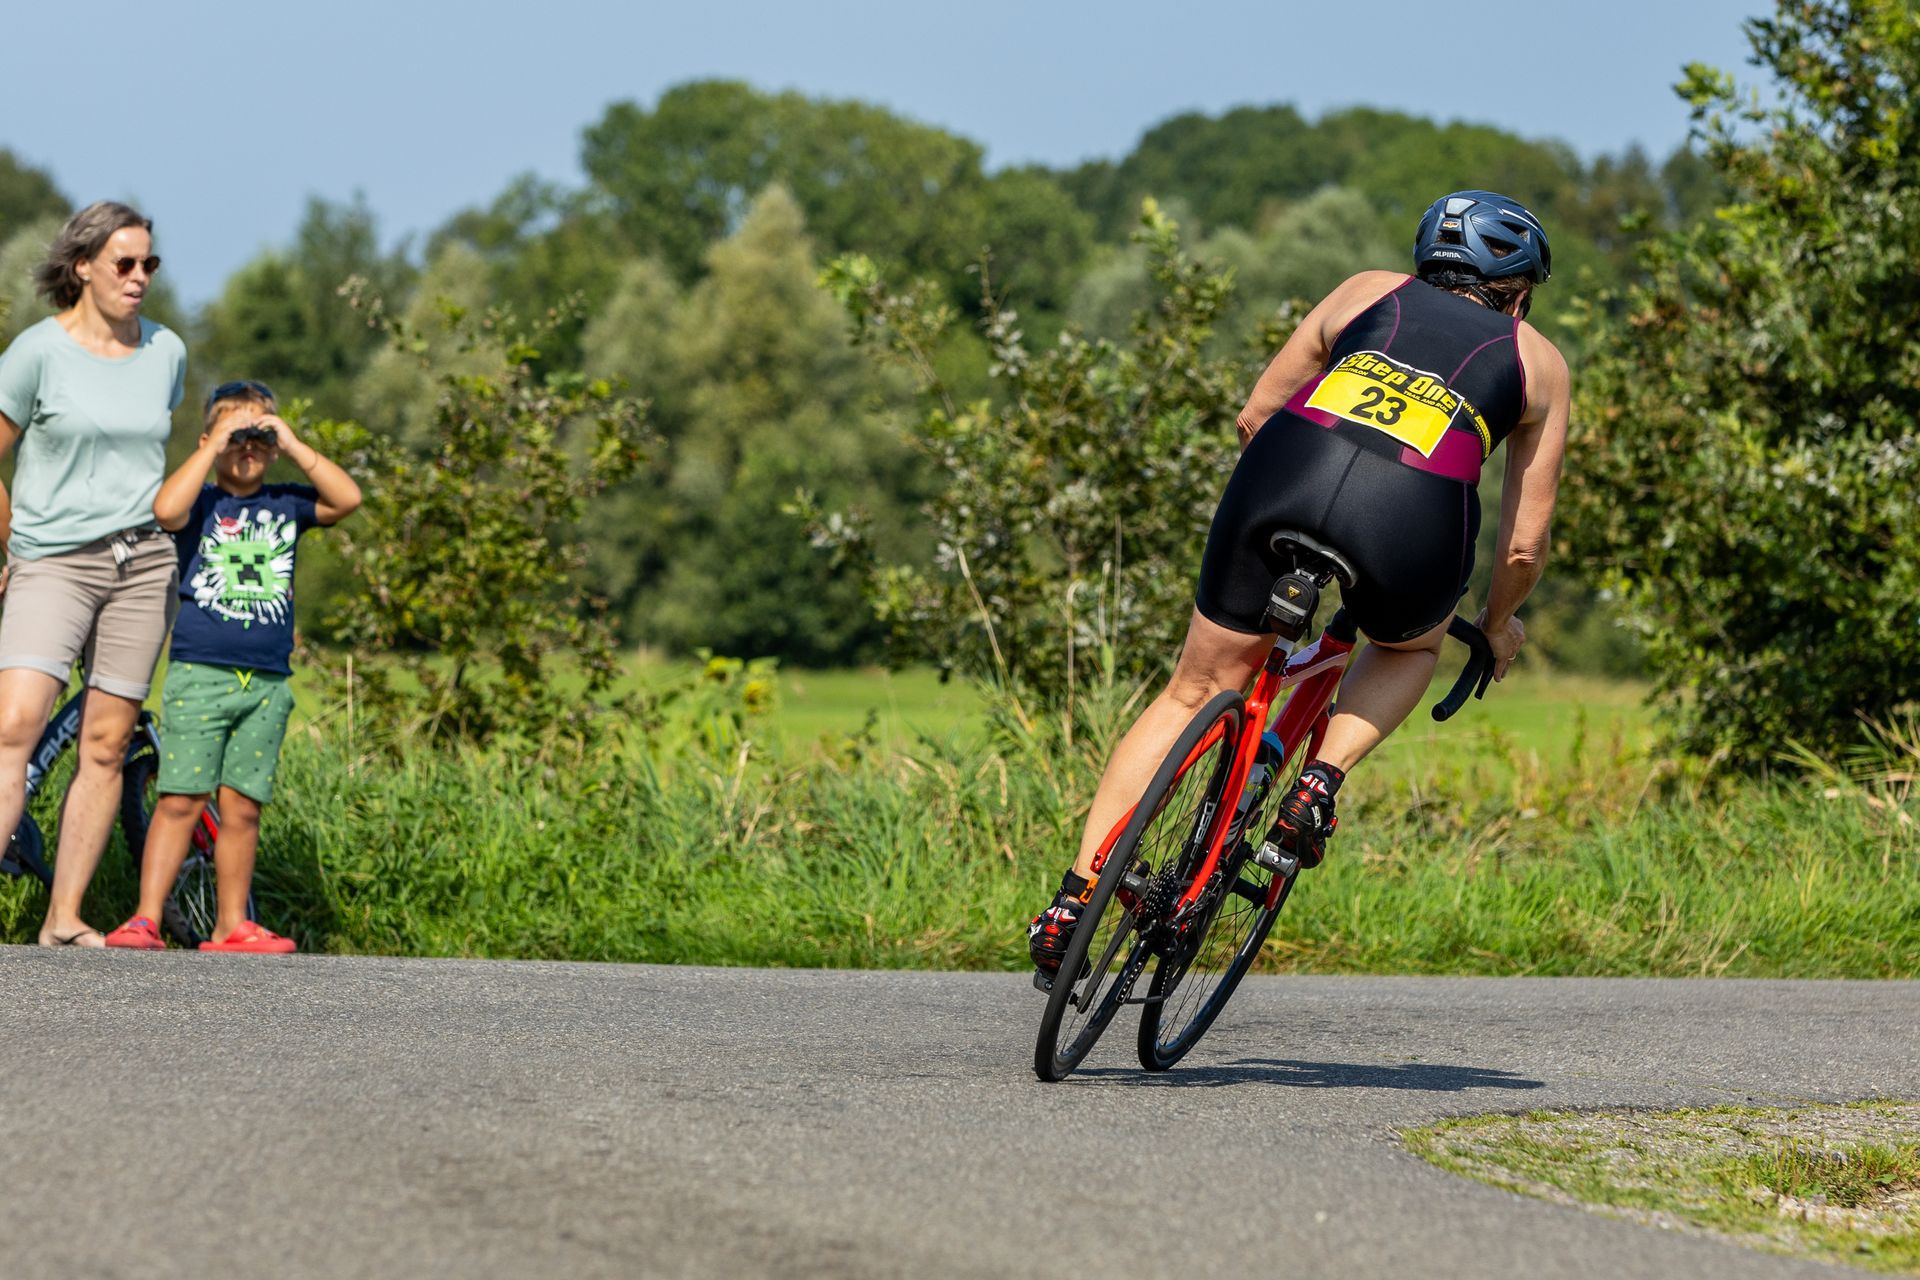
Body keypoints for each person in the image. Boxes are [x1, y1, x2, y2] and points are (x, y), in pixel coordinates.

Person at [1028, 190, 1572, 977]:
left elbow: (1256, 415)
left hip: (1286, 475)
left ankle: (1072, 903)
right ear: (1517, 294)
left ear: (1428, 259)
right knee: (1409, 646)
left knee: (1190, 692)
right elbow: (1523, 547)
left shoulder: (1363, 290)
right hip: (1412, 518)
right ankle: (1319, 780)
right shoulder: (1539, 362)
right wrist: (1495, 626)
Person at [104, 381, 360, 952]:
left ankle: (231, 924)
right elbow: (164, 509)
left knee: (242, 807)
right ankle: (145, 917)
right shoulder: (200, 504)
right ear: (212, 442)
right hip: (202, 673)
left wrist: (292, 443)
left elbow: (347, 499)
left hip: (267, 682)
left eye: (258, 438)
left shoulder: (289, 503)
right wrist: (212, 445)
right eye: (236, 437)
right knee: (180, 798)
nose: (249, 448)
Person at [0, 201, 185, 947]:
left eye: (150, 265)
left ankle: (64, 918)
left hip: (142, 563)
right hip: (53, 563)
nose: (140, 278)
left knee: (107, 743)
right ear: (83, 266)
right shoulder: (37, 353)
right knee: (14, 725)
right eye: (125, 264)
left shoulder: (166, 351)